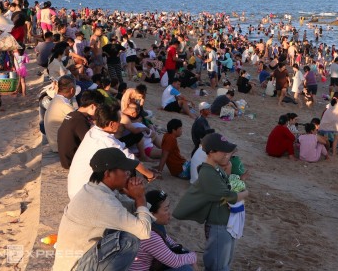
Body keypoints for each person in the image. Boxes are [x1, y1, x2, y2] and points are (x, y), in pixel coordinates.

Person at [53, 148, 152, 271]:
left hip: (80, 259)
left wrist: (135, 196)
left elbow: (143, 210)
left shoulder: (96, 190)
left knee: (126, 227)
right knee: (128, 240)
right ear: (107, 174)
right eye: (124, 170)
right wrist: (140, 197)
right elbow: (144, 231)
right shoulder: (101, 201)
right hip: (76, 266)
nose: (128, 173)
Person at [173, 133, 249, 271]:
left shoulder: (217, 168)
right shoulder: (208, 173)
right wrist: (245, 193)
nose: (227, 155)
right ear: (211, 152)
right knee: (218, 265)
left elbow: (227, 185)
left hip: (225, 222)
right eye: (223, 152)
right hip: (218, 224)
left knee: (224, 261)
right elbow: (229, 195)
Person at [67, 104, 157, 199]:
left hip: (77, 188)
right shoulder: (107, 141)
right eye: (119, 121)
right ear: (111, 124)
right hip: (83, 194)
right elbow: (132, 161)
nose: (120, 124)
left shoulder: (94, 131)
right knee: (125, 167)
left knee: (120, 165)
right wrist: (149, 175)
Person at [129, 190, 197, 271]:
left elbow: (170, 242)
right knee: (186, 269)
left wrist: (187, 254)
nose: (169, 213)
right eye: (166, 209)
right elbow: (174, 261)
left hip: (151, 265)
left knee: (185, 254)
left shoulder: (149, 223)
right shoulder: (148, 234)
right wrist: (193, 256)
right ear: (151, 214)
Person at [57, 90, 104, 169]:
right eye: (98, 110)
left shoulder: (73, 114)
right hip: (72, 163)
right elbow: (90, 144)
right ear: (93, 106)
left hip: (65, 159)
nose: (98, 113)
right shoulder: (80, 120)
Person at [44, 76, 79, 153]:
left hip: (54, 142)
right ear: (72, 90)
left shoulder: (56, 99)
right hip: (59, 146)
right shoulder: (64, 104)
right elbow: (79, 120)